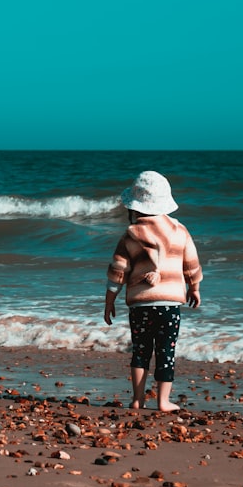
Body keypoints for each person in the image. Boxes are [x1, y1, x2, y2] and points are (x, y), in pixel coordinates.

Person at [103, 171, 203, 411]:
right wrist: (194, 287)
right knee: (166, 351)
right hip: (170, 304)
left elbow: (119, 270)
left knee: (140, 350)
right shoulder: (180, 230)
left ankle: (137, 400)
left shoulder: (131, 234)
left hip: (140, 305)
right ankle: (163, 401)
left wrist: (110, 300)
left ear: (135, 207)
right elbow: (191, 263)